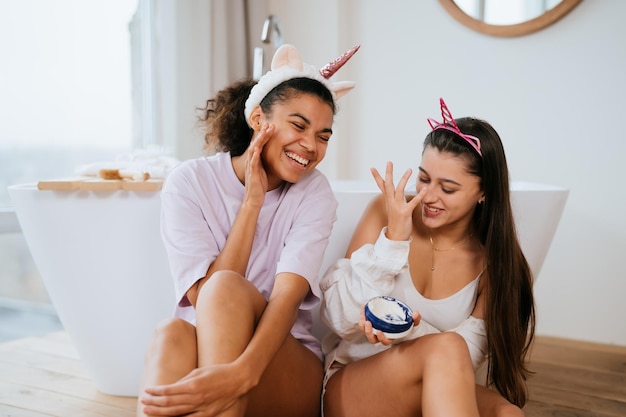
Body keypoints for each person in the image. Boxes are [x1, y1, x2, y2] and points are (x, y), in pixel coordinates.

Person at [136, 43, 358, 417]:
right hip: (207, 355)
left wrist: (241, 374)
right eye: (299, 125)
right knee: (170, 334)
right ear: (258, 119)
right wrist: (251, 205)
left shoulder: (314, 191)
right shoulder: (188, 182)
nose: (310, 146)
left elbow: (285, 301)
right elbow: (201, 297)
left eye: (323, 135)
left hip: (281, 364)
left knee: (223, 287)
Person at [320, 98, 535, 417]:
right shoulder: (388, 211)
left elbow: (467, 355)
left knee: (509, 414)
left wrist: (407, 332)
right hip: (355, 384)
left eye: (448, 189)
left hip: (431, 388)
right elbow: (338, 318)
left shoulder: (498, 262)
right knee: (448, 346)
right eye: (423, 178)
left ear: (483, 192)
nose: (428, 197)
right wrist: (393, 240)